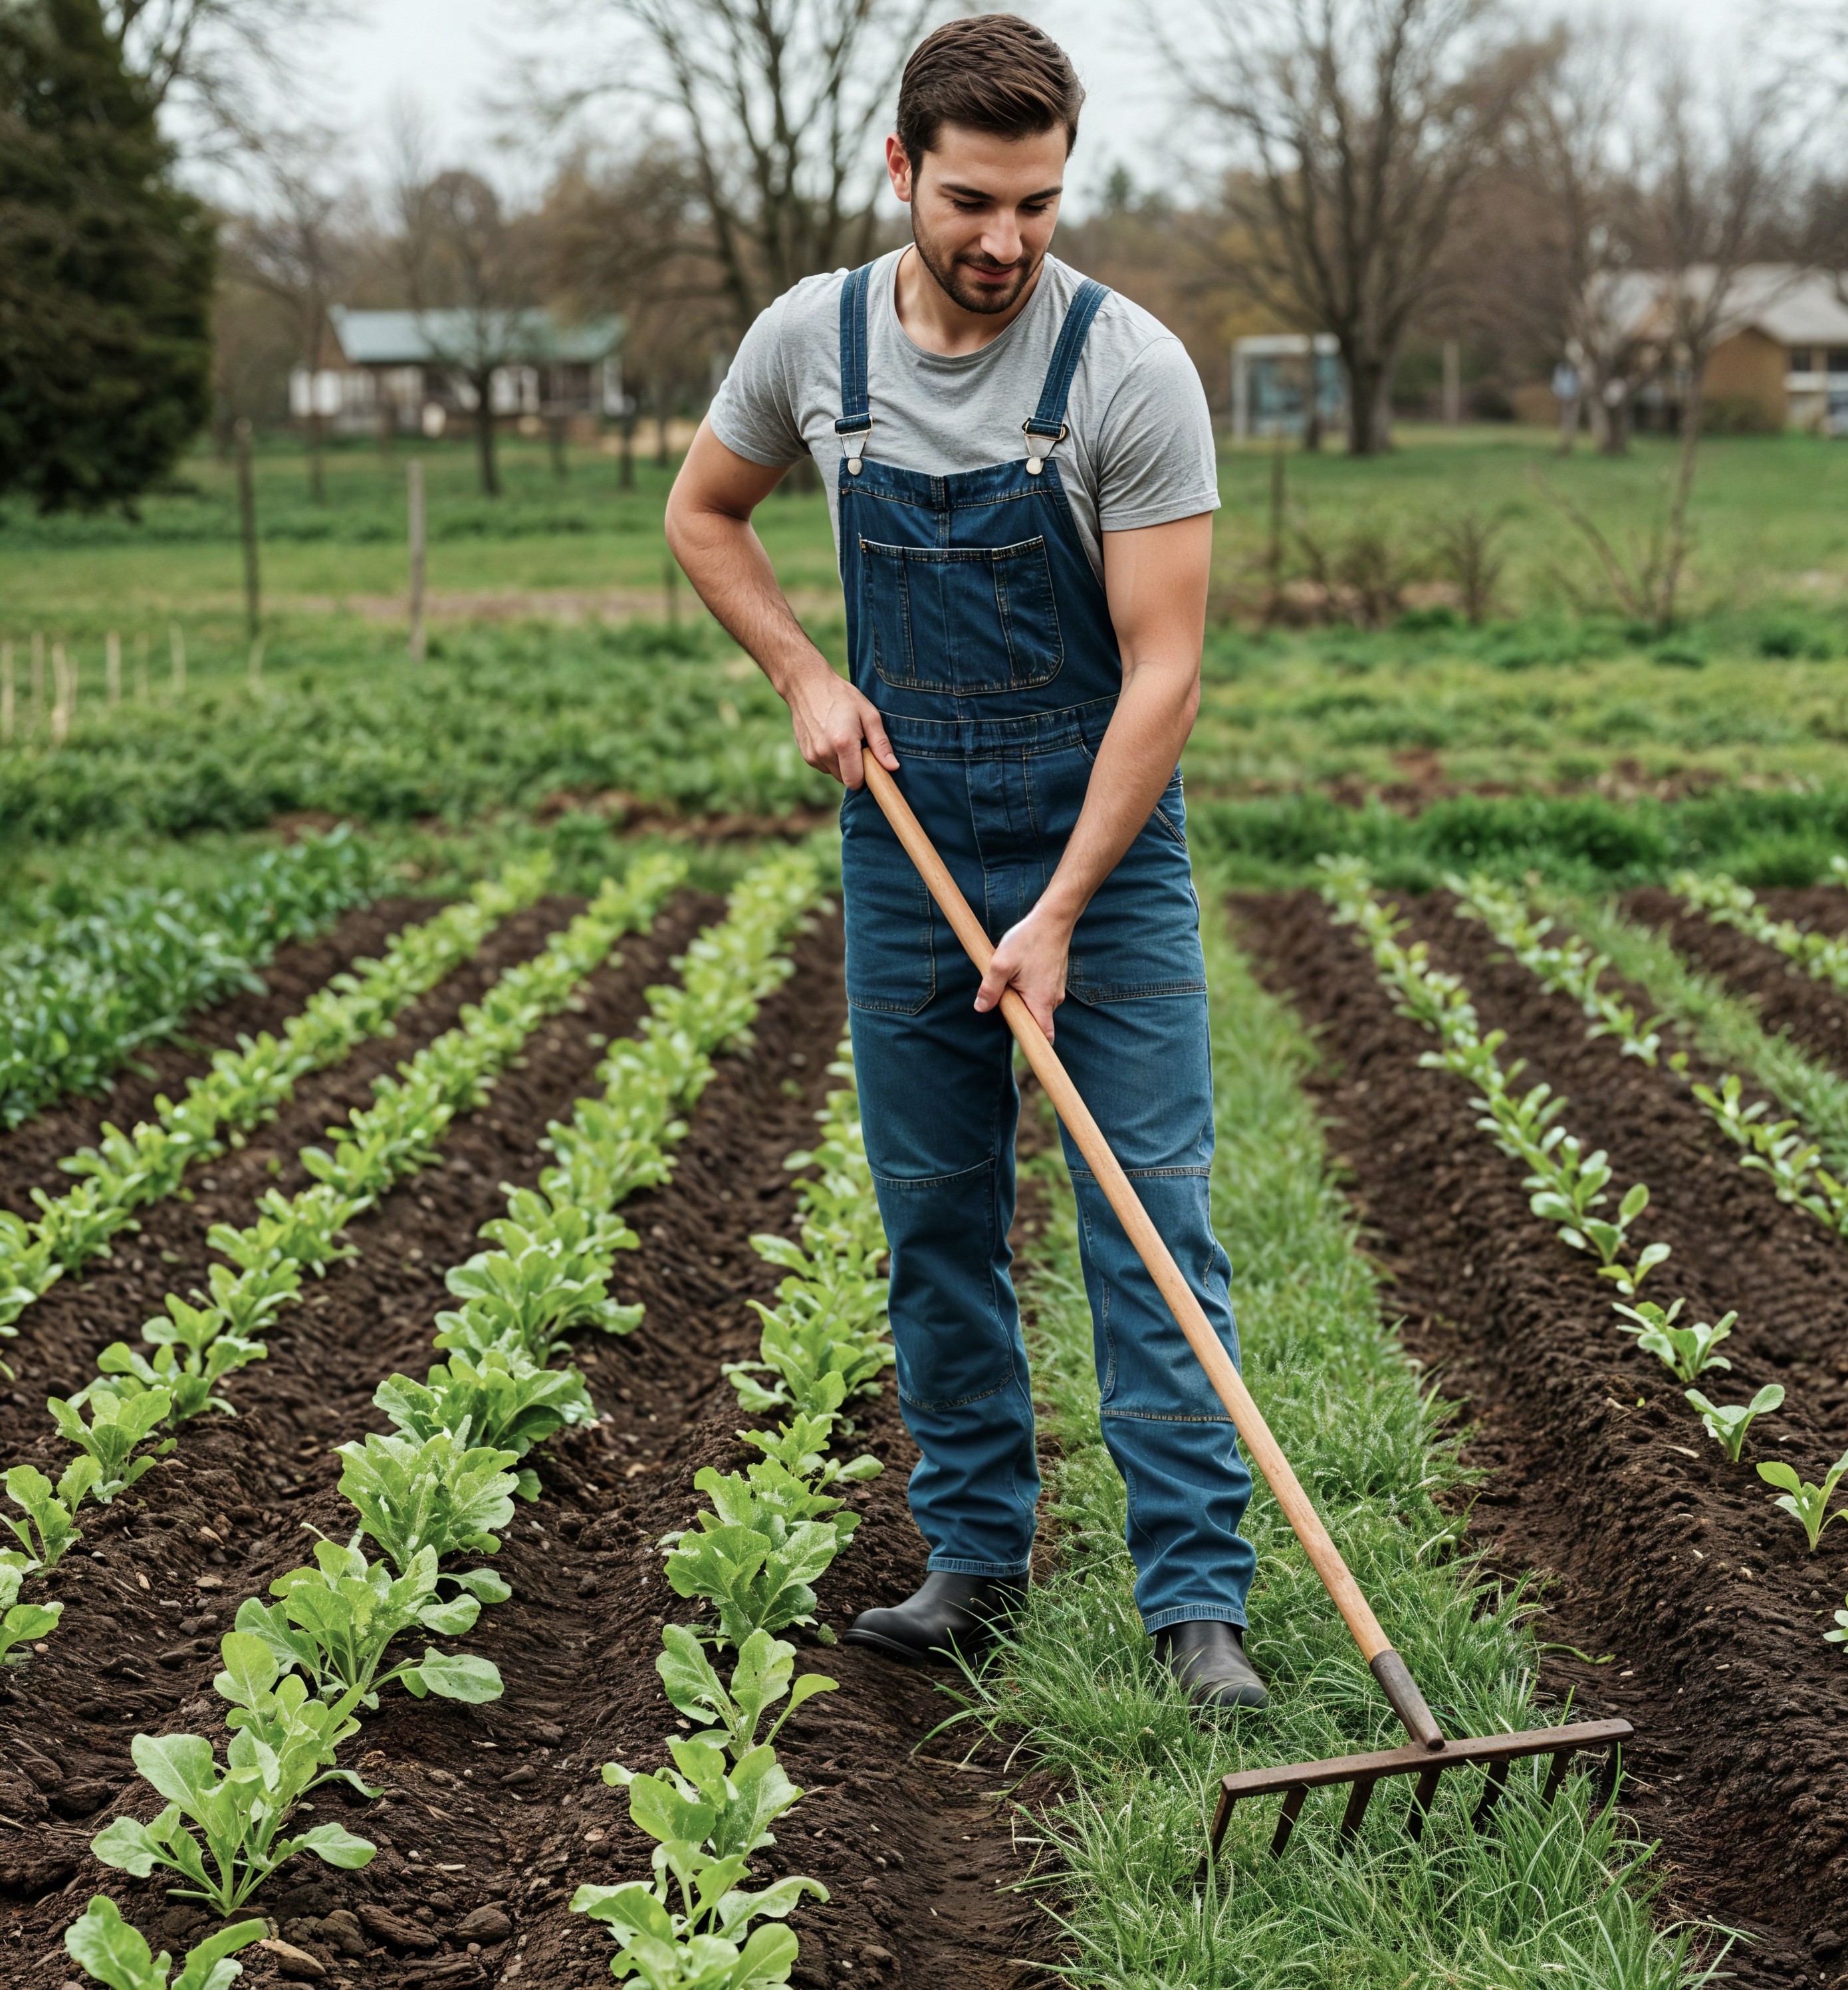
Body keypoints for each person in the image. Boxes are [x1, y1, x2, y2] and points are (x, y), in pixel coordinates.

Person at [665, 13, 1264, 1709]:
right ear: (901, 169)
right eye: (974, 202)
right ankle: (975, 1559)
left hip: (1105, 842)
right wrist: (804, 670)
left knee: (1147, 1212)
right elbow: (704, 514)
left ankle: (1196, 1605)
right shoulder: (812, 342)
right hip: (906, 830)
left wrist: (1062, 907)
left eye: (1041, 204)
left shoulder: (1128, 369)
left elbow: (1165, 672)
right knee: (936, 1217)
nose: (1006, 242)